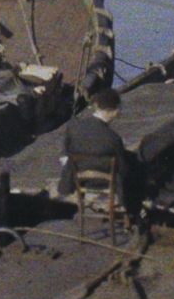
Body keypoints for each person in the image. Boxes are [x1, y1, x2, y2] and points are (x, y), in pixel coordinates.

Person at [58, 86, 139, 220]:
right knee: (132, 172)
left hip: (77, 178)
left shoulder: (73, 126)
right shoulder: (113, 138)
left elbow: (64, 156)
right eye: (119, 108)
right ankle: (132, 212)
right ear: (112, 110)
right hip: (102, 181)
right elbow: (123, 169)